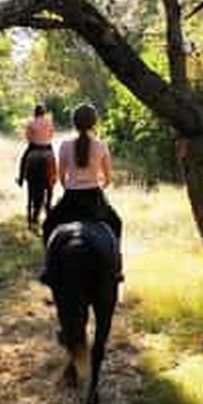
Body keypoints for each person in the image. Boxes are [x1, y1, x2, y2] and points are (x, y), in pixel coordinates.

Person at [41, 102, 123, 281]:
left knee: (47, 225)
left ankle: (48, 268)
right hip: (95, 197)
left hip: (71, 198)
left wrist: (72, 185)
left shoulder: (64, 145)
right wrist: (98, 186)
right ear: (94, 123)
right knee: (116, 223)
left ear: (74, 122)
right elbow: (108, 178)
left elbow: (62, 177)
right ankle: (117, 268)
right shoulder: (101, 145)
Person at [17, 103, 56, 187]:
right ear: (44, 112)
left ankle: (21, 179)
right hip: (47, 146)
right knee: (53, 160)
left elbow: (28, 136)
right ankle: (54, 178)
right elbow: (52, 134)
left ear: (35, 112)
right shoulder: (49, 122)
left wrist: (34, 140)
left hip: (34, 147)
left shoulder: (31, 122)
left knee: (23, 159)